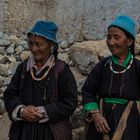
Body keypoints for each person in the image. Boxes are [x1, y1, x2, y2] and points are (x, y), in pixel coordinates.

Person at [3, 20, 77, 140]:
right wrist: (22, 111)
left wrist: (44, 111)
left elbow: (70, 102)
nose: (34, 49)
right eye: (31, 43)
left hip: (51, 133)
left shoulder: (61, 70)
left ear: (51, 45)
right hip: (23, 132)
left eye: (39, 44)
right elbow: (9, 95)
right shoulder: (23, 68)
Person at [82, 15, 140, 140]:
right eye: (109, 37)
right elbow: (88, 91)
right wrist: (96, 115)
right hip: (101, 127)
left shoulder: (137, 68)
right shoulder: (102, 67)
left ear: (129, 41)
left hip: (131, 127)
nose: (111, 42)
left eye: (116, 37)